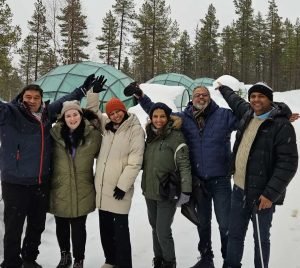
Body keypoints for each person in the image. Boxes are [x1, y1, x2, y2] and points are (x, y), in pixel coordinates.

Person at [124, 82, 237, 268]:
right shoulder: (184, 118)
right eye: (197, 94)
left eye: (204, 94)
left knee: (225, 223)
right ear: (192, 98)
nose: (201, 97)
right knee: (203, 222)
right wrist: (140, 96)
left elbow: (247, 116)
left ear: (209, 98)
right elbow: (158, 112)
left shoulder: (224, 116)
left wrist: (277, 113)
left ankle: (229, 261)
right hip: (198, 181)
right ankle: (206, 258)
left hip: (220, 179)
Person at [0, 74, 96, 268]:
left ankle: (29, 259)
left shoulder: (46, 113)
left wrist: (83, 90)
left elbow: (63, 102)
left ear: (41, 100)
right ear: (21, 97)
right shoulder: (9, 112)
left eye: (36, 98)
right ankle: (11, 262)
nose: (32, 101)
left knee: (37, 224)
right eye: (28, 97)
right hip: (16, 182)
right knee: (14, 227)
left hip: (40, 181)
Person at [216, 82, 298, 268]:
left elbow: (288, 164)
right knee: (235, 234)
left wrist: (270, 194)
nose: (256, 100)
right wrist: (223, 89)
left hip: (262, 195)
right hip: (238, 190)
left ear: (270, 99)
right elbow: (235, 101)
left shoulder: (281, 126)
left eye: (261, 96)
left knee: (261, 239)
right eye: (253, 96)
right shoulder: (248, 114)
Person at [86, 84, 145, 268]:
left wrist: (122, 186)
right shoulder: (107, 126)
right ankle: (110, 260)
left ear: (124, 110)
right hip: (103, 188)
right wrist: (94, 93)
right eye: (111, 113)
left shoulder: (134, 129)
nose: (115, 116)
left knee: (120, 231)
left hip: (119, 189)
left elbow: (135, 161)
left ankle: (124, 263)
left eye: (118, 112)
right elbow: (92, 113)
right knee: (105, 229)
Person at [49, 100, 102, 268]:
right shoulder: (54, 134)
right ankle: (65, 255)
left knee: (79, 227)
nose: (72, 118)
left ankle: (79, 259)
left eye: (75, 114)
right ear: (63, 118)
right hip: (60, 188)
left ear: (81, 115)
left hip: (83, 188)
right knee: (62, 225)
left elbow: (105, 155)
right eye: (68, 115)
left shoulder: (93, 135)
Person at [142, 102, 192, 268]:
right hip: (149, 190)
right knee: (154, 228)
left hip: (166, 191)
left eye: (162, 116)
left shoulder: (175, 136)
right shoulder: (149, 136)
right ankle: (159, 259)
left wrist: (186, 190)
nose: (158, 119)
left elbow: (184, 163)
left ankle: (169, 261)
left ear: (168, 117)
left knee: (163, 230)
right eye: (155, 116)